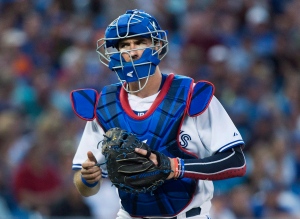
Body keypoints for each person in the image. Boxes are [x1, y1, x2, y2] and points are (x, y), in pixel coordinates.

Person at [71, 9, 246, 219]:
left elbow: (236, 162)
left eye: (140, 42)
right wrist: (88, 178)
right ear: (116, 54)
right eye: (125, 45)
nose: (133, 51)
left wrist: (175, 166)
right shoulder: (104, 105)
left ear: (157, 45)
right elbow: (84, 186)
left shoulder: (191, 95)